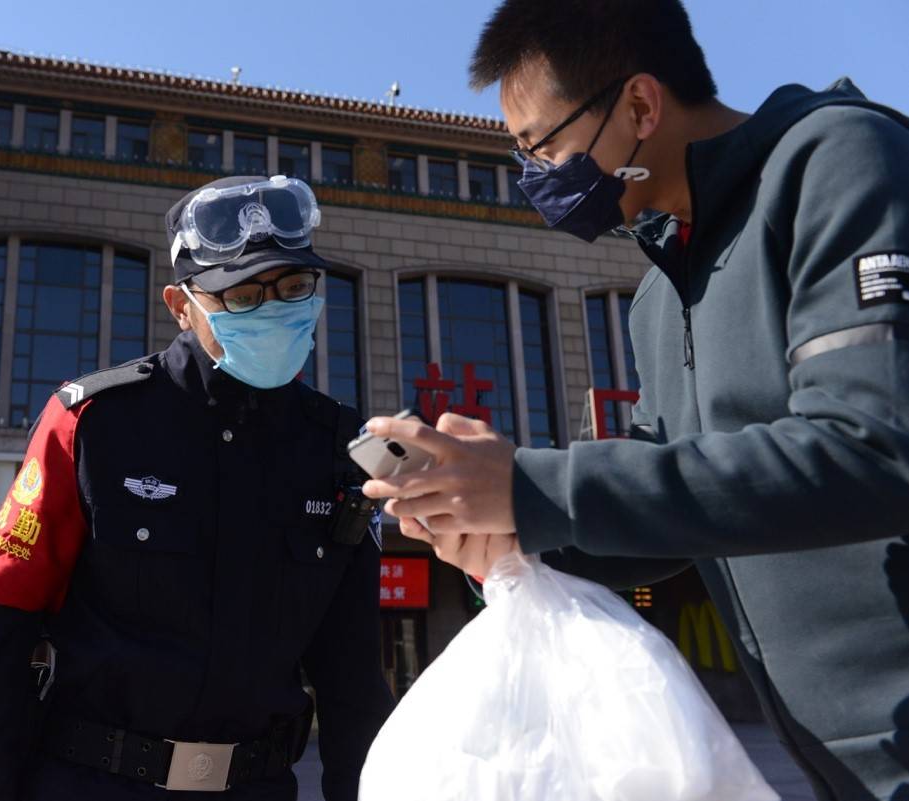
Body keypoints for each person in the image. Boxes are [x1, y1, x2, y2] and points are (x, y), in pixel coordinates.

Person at [361, 2, 909, 799]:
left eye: (541, 144)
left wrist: (531, 486)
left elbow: (872, 447)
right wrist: (509, 529)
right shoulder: (658, 294)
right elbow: (666, 519)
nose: (535, 178)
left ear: (640, 106)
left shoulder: (838, 159)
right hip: (836, 767)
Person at [0, 175, 393, 801]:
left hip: (258, 785)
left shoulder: (341, 448)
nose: (275, 308)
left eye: (293, 287)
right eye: (242, 294)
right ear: (181, 305)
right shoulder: (92, 423)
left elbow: (353, 675)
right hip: (91, 783)